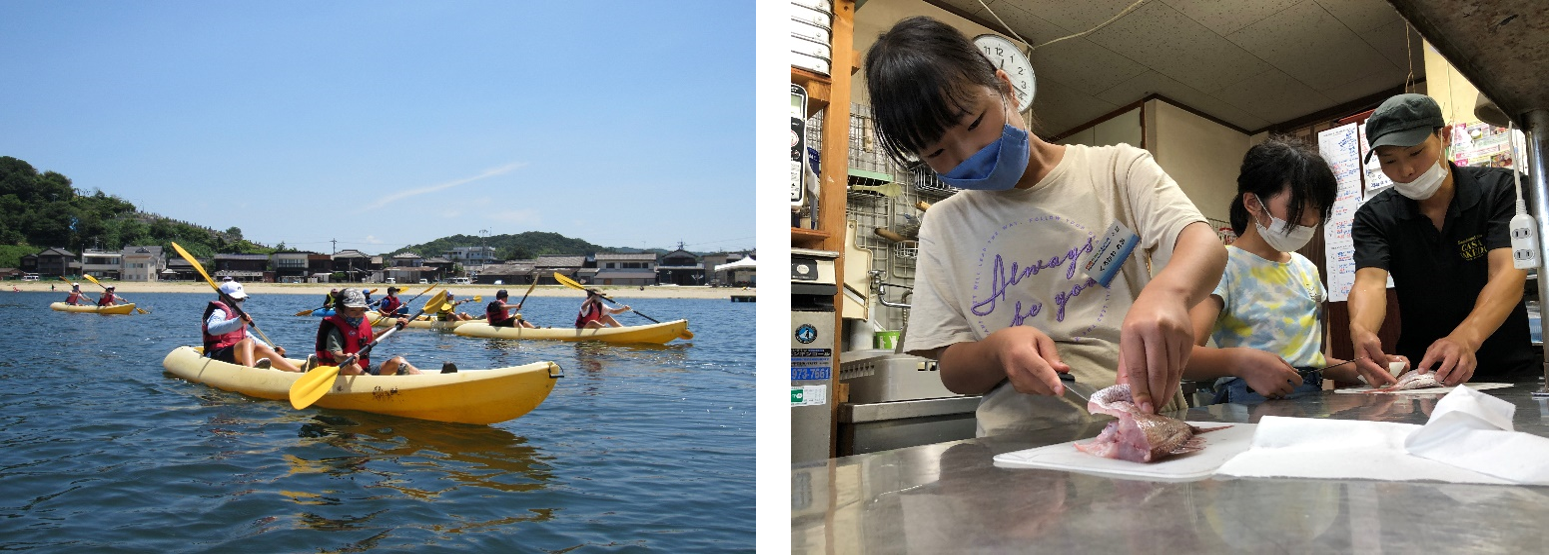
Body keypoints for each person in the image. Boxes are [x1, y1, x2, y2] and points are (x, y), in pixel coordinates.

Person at [867, 16, 1228, 437]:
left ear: (1006, 89)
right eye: (937, 152)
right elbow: (952, 368)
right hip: (1018, 446)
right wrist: (998, 350)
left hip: (1142, 428)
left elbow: (1203, 243)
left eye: (973, 123)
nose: (969, 154)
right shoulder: (943, 225)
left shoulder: (1115, 169)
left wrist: (1167, 293)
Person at [1182, 139, 1397, 403]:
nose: (1310, 221)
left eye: (1317, 209)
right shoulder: (1221, 265)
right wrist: (1241, 362)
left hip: (1309, 402)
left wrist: (1362, 370)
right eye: (1298, 208)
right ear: (1252, 203)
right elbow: (1183, 357)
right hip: (1248, 406)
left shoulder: (1306, 270)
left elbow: (1306, 361)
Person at [1350, 93, 1535, 386]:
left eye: (1415, 153)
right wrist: (1362, 330)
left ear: (1444, 136)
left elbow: (1507, 272)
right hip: (1426, 374)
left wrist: (1466, 337)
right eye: (1389, 161)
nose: (1406, 171)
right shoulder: (1374, 217)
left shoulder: (1501, 190)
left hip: (1507, 366)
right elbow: (1370, 283)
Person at [312, 289, 424, 375]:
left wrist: (395, 327)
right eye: (353, 310)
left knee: (398, 361)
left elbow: (372, 337)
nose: (358, 314)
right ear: (339, 311)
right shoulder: (334, 328)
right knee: (353, 366)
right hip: (339, 372)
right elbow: (336, 354)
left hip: (364, 369)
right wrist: (346, 357)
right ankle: (374, 385)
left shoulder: (361, 322)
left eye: (361, 310)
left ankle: (423, 380)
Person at [202, 281, 300, 371]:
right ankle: (251, 371)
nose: (240, 301)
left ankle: (297, 372)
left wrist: (272, 350)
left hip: (233, 354)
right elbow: (212, 329)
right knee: (247, 342)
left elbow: (249, 336)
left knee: (259, 347)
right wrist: (238, 321)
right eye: (236, 299)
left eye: (241, 299)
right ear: (223, 298)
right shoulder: (219, 312)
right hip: (215, 354)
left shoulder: (236, 315)